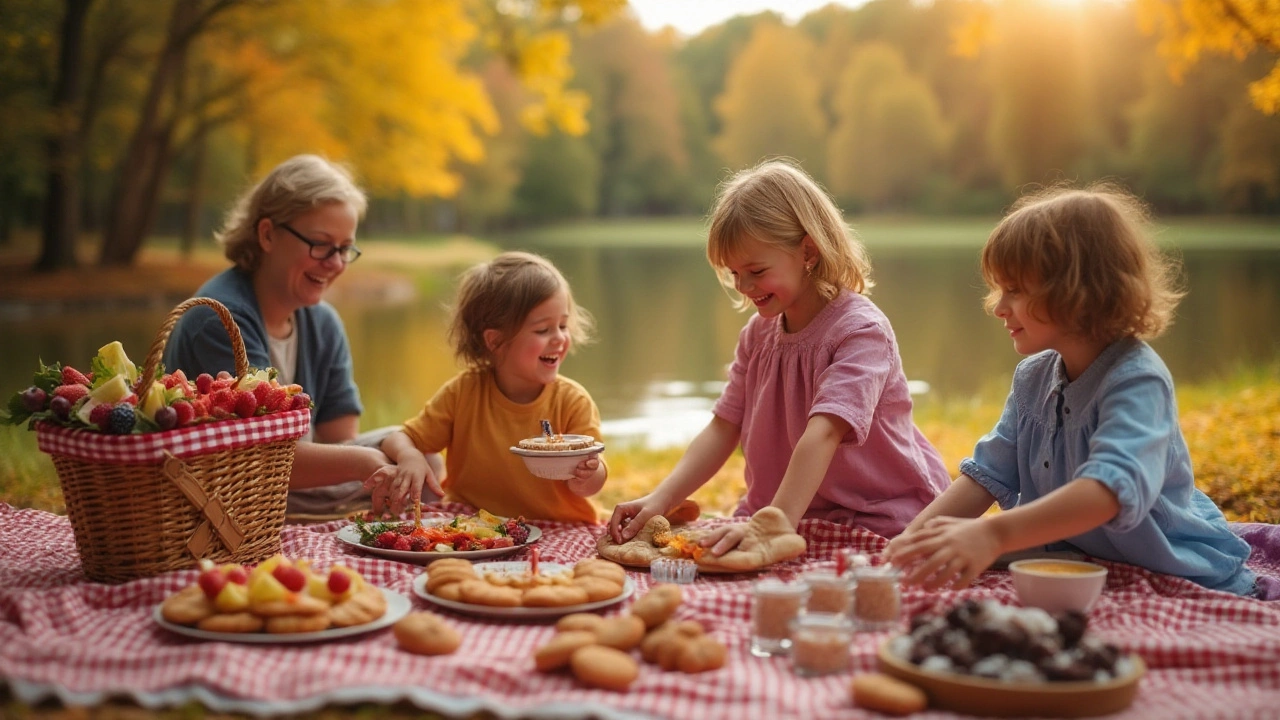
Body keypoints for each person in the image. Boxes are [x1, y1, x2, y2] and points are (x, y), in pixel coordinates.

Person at [884, 184, 1256, 596]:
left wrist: (993, 535)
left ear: (1075, 292)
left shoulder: (1136, 379)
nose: (997, 306)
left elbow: (1107, 491)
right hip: (1074, 564)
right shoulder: (1033, 377)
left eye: (1015, 289)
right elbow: (985, 476)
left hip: (1169, 569)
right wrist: (909, 543)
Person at [608, 159, 951, 555]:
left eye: (755, 270)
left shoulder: (860, 332)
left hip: (874, 516)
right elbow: (722, 428)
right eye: (734, 273)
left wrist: (774, 526)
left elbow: (823, 433)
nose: (744, 286)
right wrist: (660, 500)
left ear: (808, 250)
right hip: (780, 514)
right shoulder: (757, 336)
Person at [163, 154, 436, 517]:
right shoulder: (219, 320)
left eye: (344, 249)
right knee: (385, 470)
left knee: (424, 464)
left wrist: (405, 453)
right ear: (267, 234)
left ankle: (343, 519)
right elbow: (257, 455)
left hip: (290, 482)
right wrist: (365, 462)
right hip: (227, 488)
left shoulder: (322, 323)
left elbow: (340, 438)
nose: (336, 263)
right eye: (321, 245)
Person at [367, 251, 607, 523]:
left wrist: (588, 475)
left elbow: (594, 481)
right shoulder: (464, 392)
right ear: (494, 341)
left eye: (563, 325)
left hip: (558, 527)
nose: (560, 338)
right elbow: (399, 438)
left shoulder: (572, 401)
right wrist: (409, 455)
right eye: (543, 330)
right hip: (474, 525)